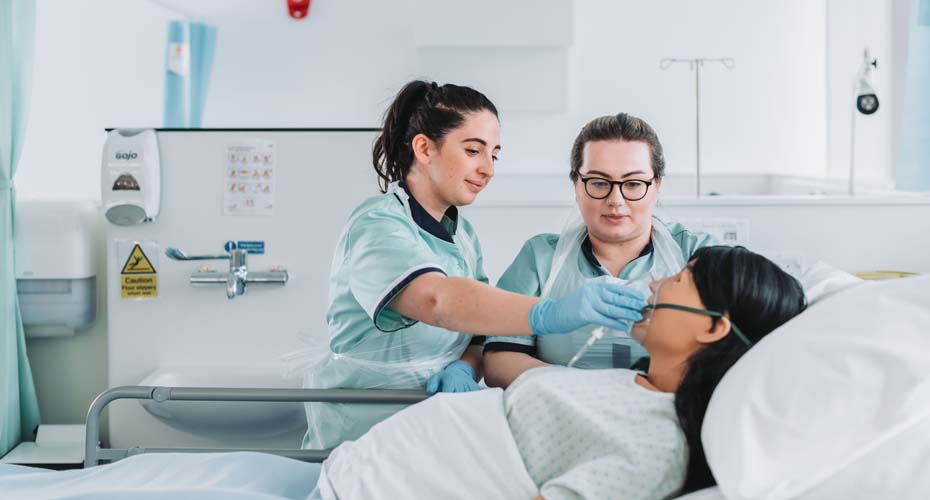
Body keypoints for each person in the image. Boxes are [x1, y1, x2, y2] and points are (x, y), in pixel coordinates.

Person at [2, 247, 805, 500]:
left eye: (683, 277)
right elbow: (487, 347)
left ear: (709, 326)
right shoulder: (627, 380)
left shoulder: (654, 448)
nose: (662, 279)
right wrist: (489, 357)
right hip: (357, 475)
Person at [302, 82, 647, 450]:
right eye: (473, 151)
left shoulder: (462, 234)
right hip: (363, 432)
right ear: (424, 148)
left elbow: (478, 331)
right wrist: (550, 313)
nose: (488, 169)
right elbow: (436, 301)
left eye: (494, 156)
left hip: (432, 429)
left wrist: (466, 365)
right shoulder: (377, 225)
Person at [484, 113, 717, 388]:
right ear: (576, 185)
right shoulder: (540, 257)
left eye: (633, 184)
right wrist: (583, 391)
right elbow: (499, 360)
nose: (615, 200)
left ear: (657, 185)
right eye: (598, 182)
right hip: (561, 414)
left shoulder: (698, 254)